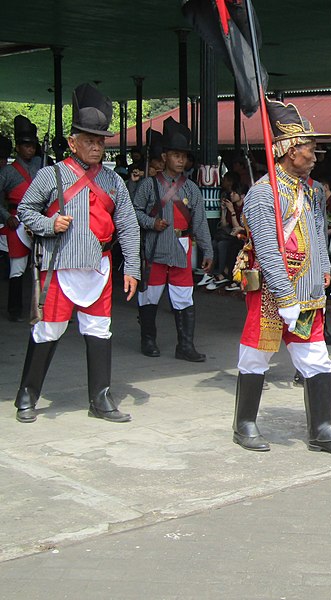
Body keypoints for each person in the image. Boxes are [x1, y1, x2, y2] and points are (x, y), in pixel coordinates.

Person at [232, 99, 331, 456]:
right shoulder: (262, 193)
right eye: (308, 147)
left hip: (310, 291)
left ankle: (322, 428)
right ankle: (245, 424)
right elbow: (269, 251)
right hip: (274, 293)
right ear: (288, 150)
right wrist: (285, 297)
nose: (315, 154)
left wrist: (324, 269)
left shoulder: (313, 190)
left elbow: (317, 230)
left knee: (316, 358)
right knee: (256, 356)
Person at [13, 83, 140, 423]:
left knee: (99, 329)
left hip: (99, 266)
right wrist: (49, 223)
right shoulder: (50, 175)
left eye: (100, 141)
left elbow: (128, 225)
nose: (96, 147)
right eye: (89, 140)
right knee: (48, 331)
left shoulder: (114, 182)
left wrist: (133, 268)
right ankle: (27, 394)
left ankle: (100, 399)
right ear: (72, 142)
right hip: (60, 266)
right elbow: (25, 211)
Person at [133, 117, 213, 361]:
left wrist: (208, 251)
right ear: (165, 156)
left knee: (183, 297)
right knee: (150, 296)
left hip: (181, 248)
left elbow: (199, 221)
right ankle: (148, 340)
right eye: (176, 155)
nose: (181, 160)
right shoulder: (148, 185)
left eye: (184, 156)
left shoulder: (191, 189)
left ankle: (185, 346)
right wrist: (151, 223)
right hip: (155, 247)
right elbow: (134, 212)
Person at [0, 116, 40, 321]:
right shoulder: (7, 171)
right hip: (16, 221)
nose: (30, 149)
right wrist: (6, 216)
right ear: (18, 147)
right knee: (18, 268)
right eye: (26, 145)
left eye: (32, 145)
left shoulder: (41, 166)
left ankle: (41, 308)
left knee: (43, 266)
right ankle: (14, 311)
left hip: (39, 219)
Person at [202, 181, 247, 291]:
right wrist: (223, 210)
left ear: (242, 196)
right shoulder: (232, 205)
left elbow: (237, 228)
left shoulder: (245, 208)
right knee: (215, 242)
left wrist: (232, 211)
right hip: (231, 234)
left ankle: (224, 273)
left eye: (234, 193)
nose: (231, 195)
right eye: (231, 193)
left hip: (242, 237)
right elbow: (224, 224)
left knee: (224, 244)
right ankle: (211, 272)